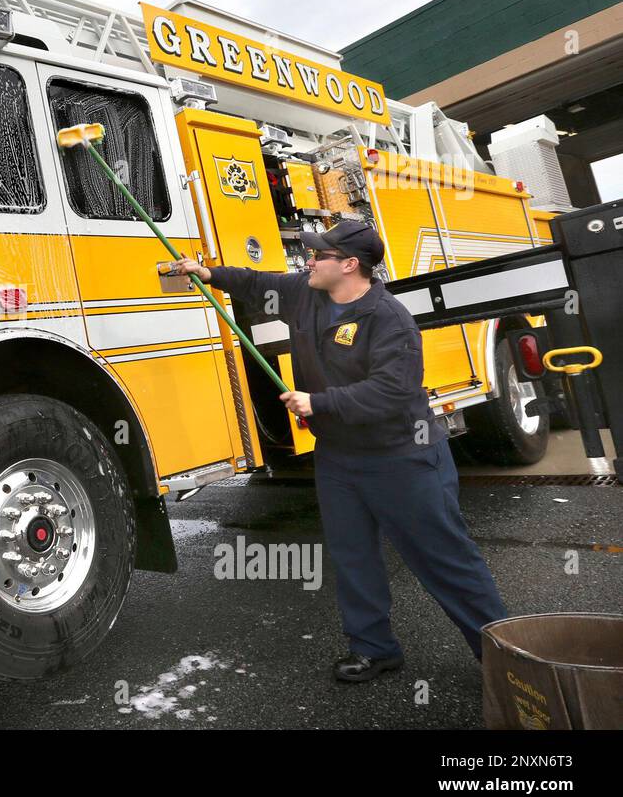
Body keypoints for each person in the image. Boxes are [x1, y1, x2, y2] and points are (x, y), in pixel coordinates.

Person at [172, 220, 508, 682]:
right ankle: (374, 648)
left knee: (444, 558)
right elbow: (255, 282)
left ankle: (504, 657)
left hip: (402, 457)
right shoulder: (306, 293)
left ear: (349, 265)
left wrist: (319, 403)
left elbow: (392, 392)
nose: (308, 260)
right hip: (338, 458)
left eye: (319, 254)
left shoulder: (389, 319)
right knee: (353, 556)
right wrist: (207, 273)